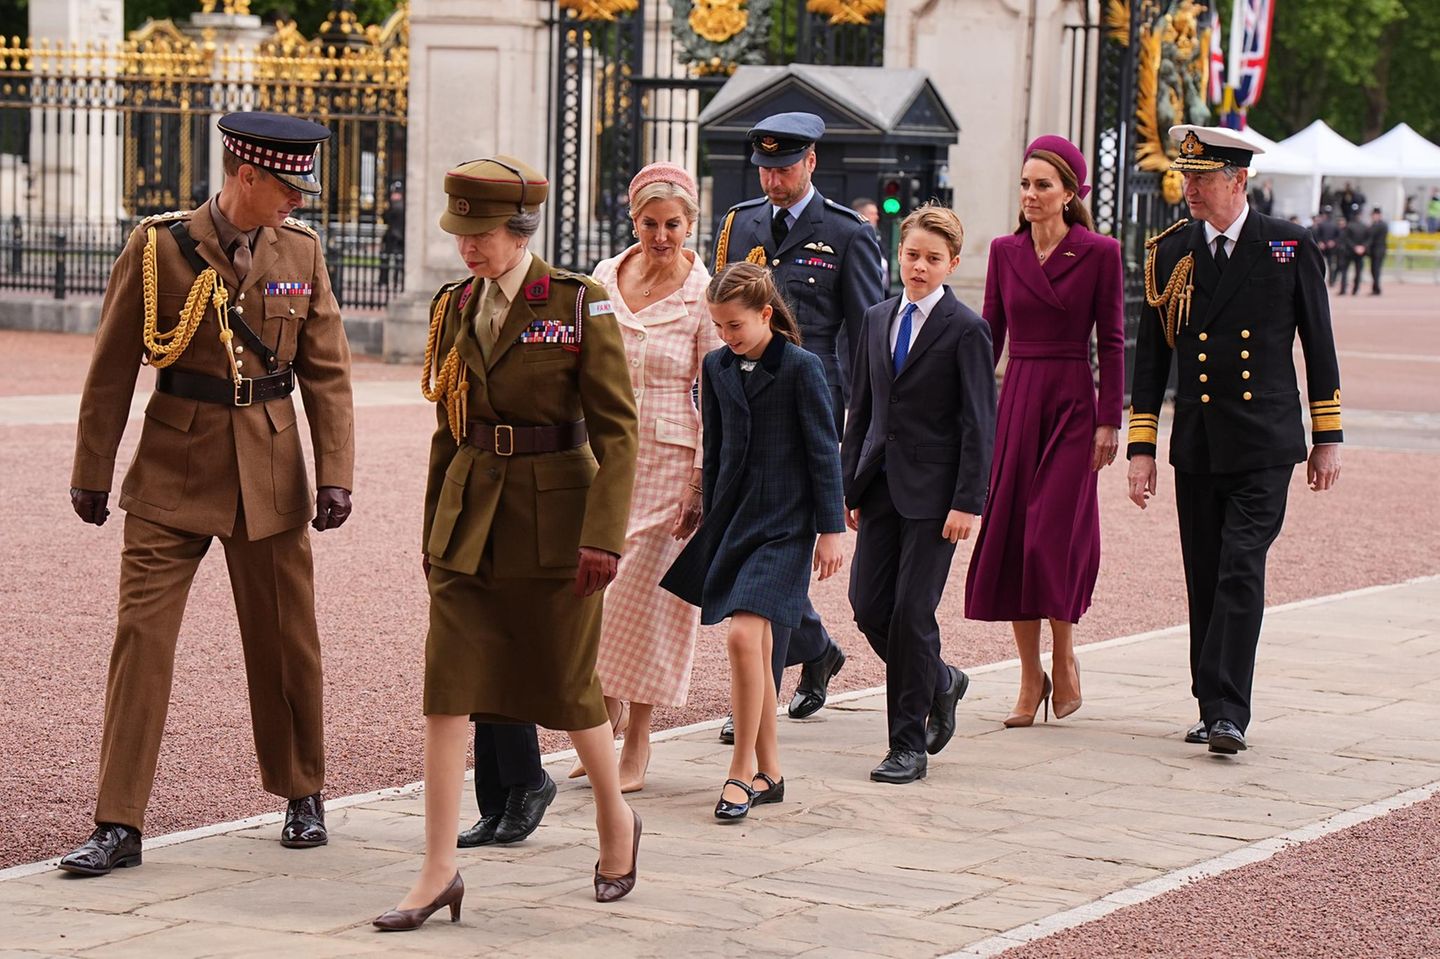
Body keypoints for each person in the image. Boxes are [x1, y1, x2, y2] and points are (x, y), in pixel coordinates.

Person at [59, 112, 355, 876]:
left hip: (270, 465)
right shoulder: (158, 247)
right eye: (288, 187)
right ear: (246, 176)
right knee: (141, 643)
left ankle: (302, 793)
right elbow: (113, 364)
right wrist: (92, 468)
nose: (298, 201)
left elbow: (326, 371)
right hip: (172, 466)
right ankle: (118, 822)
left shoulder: (303, 252)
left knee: (286, 638)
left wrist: (336, 473)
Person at [375, 155, 641, 930]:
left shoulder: (576, 302)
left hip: (558, 521)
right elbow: (448, 427)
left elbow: (618, 433)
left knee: (566, 686)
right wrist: (434, 528)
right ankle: (436, 870)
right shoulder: (456, 304)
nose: (467, 248)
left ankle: (615, 821)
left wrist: (604, 536)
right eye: (461, 233)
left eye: (480, 234)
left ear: (519, 229)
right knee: (447, 689)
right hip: (469, 519)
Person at [1127, 125, 1342, 756]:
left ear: (1238, 179)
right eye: (1185, 177)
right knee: (1204, 573)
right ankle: (1208, 701)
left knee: (1241, 568)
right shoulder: (1170, 251)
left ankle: (1229, 711)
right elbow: (1151, 361)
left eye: (1202, 178)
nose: (1188, 188)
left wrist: (1326, 436)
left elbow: (1319, 346)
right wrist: (1142, 447)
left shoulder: (1287, 245)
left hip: (1265, 442)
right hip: (1198, 441)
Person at [710, 111, 885, 736]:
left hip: (815, 406)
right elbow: (726, 312)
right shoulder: (739, 223)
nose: (774, 180)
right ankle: (818, 648)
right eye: (765, 168)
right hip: (746, 403)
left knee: (779, 538)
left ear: (811, 162)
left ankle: (754, 708)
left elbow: (868, 339)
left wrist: (863, 428)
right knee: (756, 542)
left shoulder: (845, 233)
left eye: (784, 168)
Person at [661, 262, 846, 820]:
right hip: (734, 522)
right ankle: (772, 770)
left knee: (744, 638)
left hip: (787, 526)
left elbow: (822, 450)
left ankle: (741, 770)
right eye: (718, 327)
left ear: (766, 314)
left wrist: (831, 529)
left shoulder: (801, 367)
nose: (726, 337)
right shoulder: (716, 367)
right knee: (754, 644)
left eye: (735, 325)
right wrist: (703, 510)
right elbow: (714, 450)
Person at [964, 135, 1124, 728]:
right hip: (1018, 402)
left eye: (1042, 186)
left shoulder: (1101, 252)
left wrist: (1111, 419)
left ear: (1070, 192)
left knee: (1047, 538)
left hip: (1073, 404)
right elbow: (989, 337)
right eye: (1025, 185)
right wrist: (968, 408)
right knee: (1011, 538)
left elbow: (1110, 340)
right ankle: (1030, 676)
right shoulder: (1005, 252)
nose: (1030, 195)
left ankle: (1065, 653)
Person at [842, 204, 996, 783]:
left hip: (937, 498)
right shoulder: (877, 318)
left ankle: (906, 745)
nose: (920, 267)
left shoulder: (967, 330)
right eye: (912, 255)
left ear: (952, 263)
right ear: (898, 253)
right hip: (879, 487)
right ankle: (940, 680)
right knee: (868, 608)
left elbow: (979, 424)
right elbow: (863, 409)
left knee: (911, 614)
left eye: (933, 259)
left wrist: (969, 502)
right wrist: (846, 486)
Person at [581, 162, 716, 792]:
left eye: (673, 225)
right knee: (597, 595)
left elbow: (716, 394)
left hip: (671, 458)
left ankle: (637, 737)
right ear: (632, 221)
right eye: (650, 223)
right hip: (606, 455)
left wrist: (700, 482)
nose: (661, 236)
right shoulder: (606, 275)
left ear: (691, 225)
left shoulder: (701, 292)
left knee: (650, 602)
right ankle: (599, 726)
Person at [1335, 214, 1369, 295]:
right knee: (1358, 271)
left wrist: (1354, 247)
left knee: (1345, 271)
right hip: (1359, 252)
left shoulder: (1348, 226)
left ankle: (1343, 289)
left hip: (1348, 252)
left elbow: (1346, 239)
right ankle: (1355, 289)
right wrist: (1362, 247)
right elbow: (1368, 238)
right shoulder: (1364, 226)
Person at [1366, 207, 1389, 296]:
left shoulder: (1380, 225)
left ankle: (1377, 288)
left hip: (1378, 250)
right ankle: (1375, 287)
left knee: (1376, 270)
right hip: (1375, 250)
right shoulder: (1378, 224)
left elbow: (1371, 235)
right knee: (1374, 270)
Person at [1310, 211, 1339, 278]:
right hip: (1322, 247)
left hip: (1330, 248)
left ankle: (1331, 280)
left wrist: (1333, 242)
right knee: (1319, 263)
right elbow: (1317, 235)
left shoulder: (1334, 225)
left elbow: (1338, 236)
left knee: (1330, 264)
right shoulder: (1320, 225)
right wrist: (1320, 242)